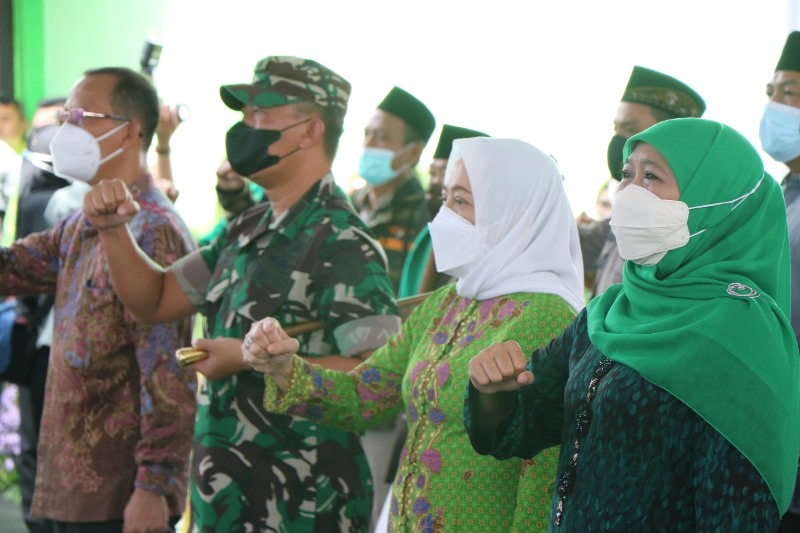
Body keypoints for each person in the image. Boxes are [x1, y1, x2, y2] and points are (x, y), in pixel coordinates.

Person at [81, 55, 400, 532]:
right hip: (227, 498)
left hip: (303, 506)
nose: (245, 128)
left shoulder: (342, 241)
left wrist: (252, 359)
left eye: (261, 115)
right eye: (244, 115)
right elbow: (155, 298)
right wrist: (113, 230)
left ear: (309, 132)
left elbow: (380, 382)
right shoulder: (245, 228)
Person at [467, 118, 800, 530]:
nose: (628, 191)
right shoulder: (611, 309)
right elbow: (526, 425)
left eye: (652, 176)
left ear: (716, 198)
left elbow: (738, 511)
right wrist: (492, 392)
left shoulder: (742, 333)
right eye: (627, 174)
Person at [243, 137, 586, 531]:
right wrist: (286, 368)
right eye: (445, 199)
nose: (443, 217)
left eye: (460, 202)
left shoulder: (550, 317)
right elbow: (365, 395)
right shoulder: (446, 303)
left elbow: (543, 473)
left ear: (514, 213)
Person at [1, 67, 198, 531]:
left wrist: (153, 489)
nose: (65, 129)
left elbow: (169, 373)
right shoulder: (84, 222)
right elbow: (12, 267)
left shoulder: (152, 230)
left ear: (130, 131)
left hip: (118, 496)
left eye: (81, 116)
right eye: (65, 116)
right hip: (72, 491)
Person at [579, 65, 705, 299]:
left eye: (630, 129)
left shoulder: (689, 234)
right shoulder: (623, 219)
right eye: (616, 129)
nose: (619, 141)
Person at [11, 96, 68, 533]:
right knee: (34, 441)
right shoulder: (30, 201)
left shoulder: (102, 202)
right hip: (37, 343)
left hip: (75, 349)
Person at [758, 29, 800, 532]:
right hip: (773, 452)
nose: (774, 106)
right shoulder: (778, 197)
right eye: (771, 93)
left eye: (789, 93)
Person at [351, 86, 435, 294]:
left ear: (414, 152)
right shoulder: (350, 204)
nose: (368, 144)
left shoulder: (427, 215)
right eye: (366, 134)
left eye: (381, 137)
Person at [398, 124, 488, 299]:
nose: (434, 183)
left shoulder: (479, 248)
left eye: (445, 172)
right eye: (432, 173)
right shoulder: (426, 238)